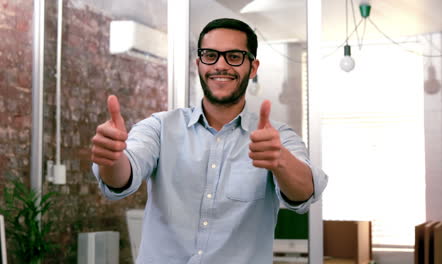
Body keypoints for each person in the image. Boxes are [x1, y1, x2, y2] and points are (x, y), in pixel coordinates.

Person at [91, 18, 328, 264]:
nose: (221, 65)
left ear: (253, 67)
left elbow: (305, 192)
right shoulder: (160, 127)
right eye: (210, 55)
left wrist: (280, 160)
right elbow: (121, 177)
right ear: (199, 64)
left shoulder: (277, 138)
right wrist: (112, 157)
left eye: (234, 56)